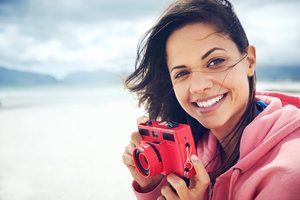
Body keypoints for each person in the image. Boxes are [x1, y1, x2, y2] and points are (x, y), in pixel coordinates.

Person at [122, 0, 300, 199]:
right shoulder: (197, 149)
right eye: (182, 73)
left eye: (215, 62)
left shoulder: (289, 172)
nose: (199, 86)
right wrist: (153, 185)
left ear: (249, 61)